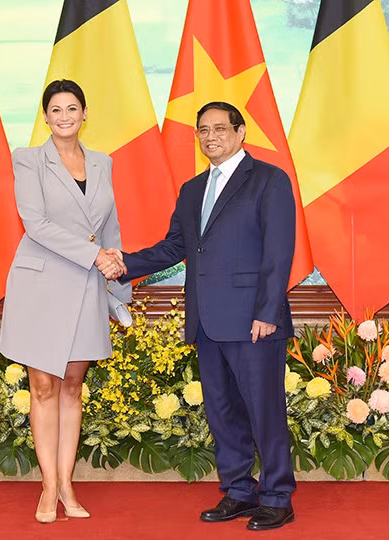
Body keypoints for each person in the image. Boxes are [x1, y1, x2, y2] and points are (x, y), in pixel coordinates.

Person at [114, 101, 296, 531]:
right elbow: (175, 247)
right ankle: (238, 490)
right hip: (207, 321)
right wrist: (124, 262)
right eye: (202, 130)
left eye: (219, 128)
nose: (210, 136)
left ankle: (277, 497)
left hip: (254, 321)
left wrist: (267, 312)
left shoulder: (269, 181)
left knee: (264, 411)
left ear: (240, 132)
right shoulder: (193, 189)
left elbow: (278, 252)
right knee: (222, 411)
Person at [0, 79, 130, 524]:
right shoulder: (29, 160)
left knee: (72, 387)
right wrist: (94, 255)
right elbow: (35, 224)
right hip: (41, 286)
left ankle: (68, 483)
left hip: (90, 285)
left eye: (72, 108)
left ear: (84, 113)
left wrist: (117, 291)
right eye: (55, 110)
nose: (64, 116)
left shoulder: (103, 162)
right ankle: (48, 487)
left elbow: (109, 230)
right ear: (46, 116)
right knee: (43, 388)